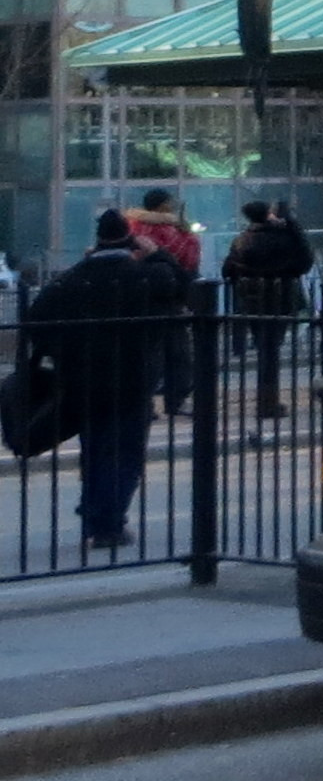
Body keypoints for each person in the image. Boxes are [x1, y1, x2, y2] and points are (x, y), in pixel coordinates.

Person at [28, 211, 187, 550]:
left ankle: (93, 515)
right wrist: (158, 253)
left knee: (95, 449)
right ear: (131, 241)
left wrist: (62, 352)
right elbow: (184, 285)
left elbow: (37, 316)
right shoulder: (144, 276)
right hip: (133, 377)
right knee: (126, 453)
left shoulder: (76, 279)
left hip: (83, 380)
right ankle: (109, 522)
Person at [222, 201, 315, 419]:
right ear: (269, 214)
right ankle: (268, 403)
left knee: (265, 348)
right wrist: (292, 226)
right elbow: (304, 262)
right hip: (280, 298)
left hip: (252, 300)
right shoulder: (284, 238)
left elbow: (228, 270)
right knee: (271, 350)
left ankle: (266, 400)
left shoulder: (242, 240)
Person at [125, 188, 199, 416]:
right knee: (178, 353)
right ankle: (176, 400)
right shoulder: (170, 229)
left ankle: (143, 403)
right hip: (170, 294)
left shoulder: (132, 226)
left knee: (146, 354)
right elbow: (186, 258)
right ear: (162, 205)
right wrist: (189, 235)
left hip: (139, 297)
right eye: (169, 202)